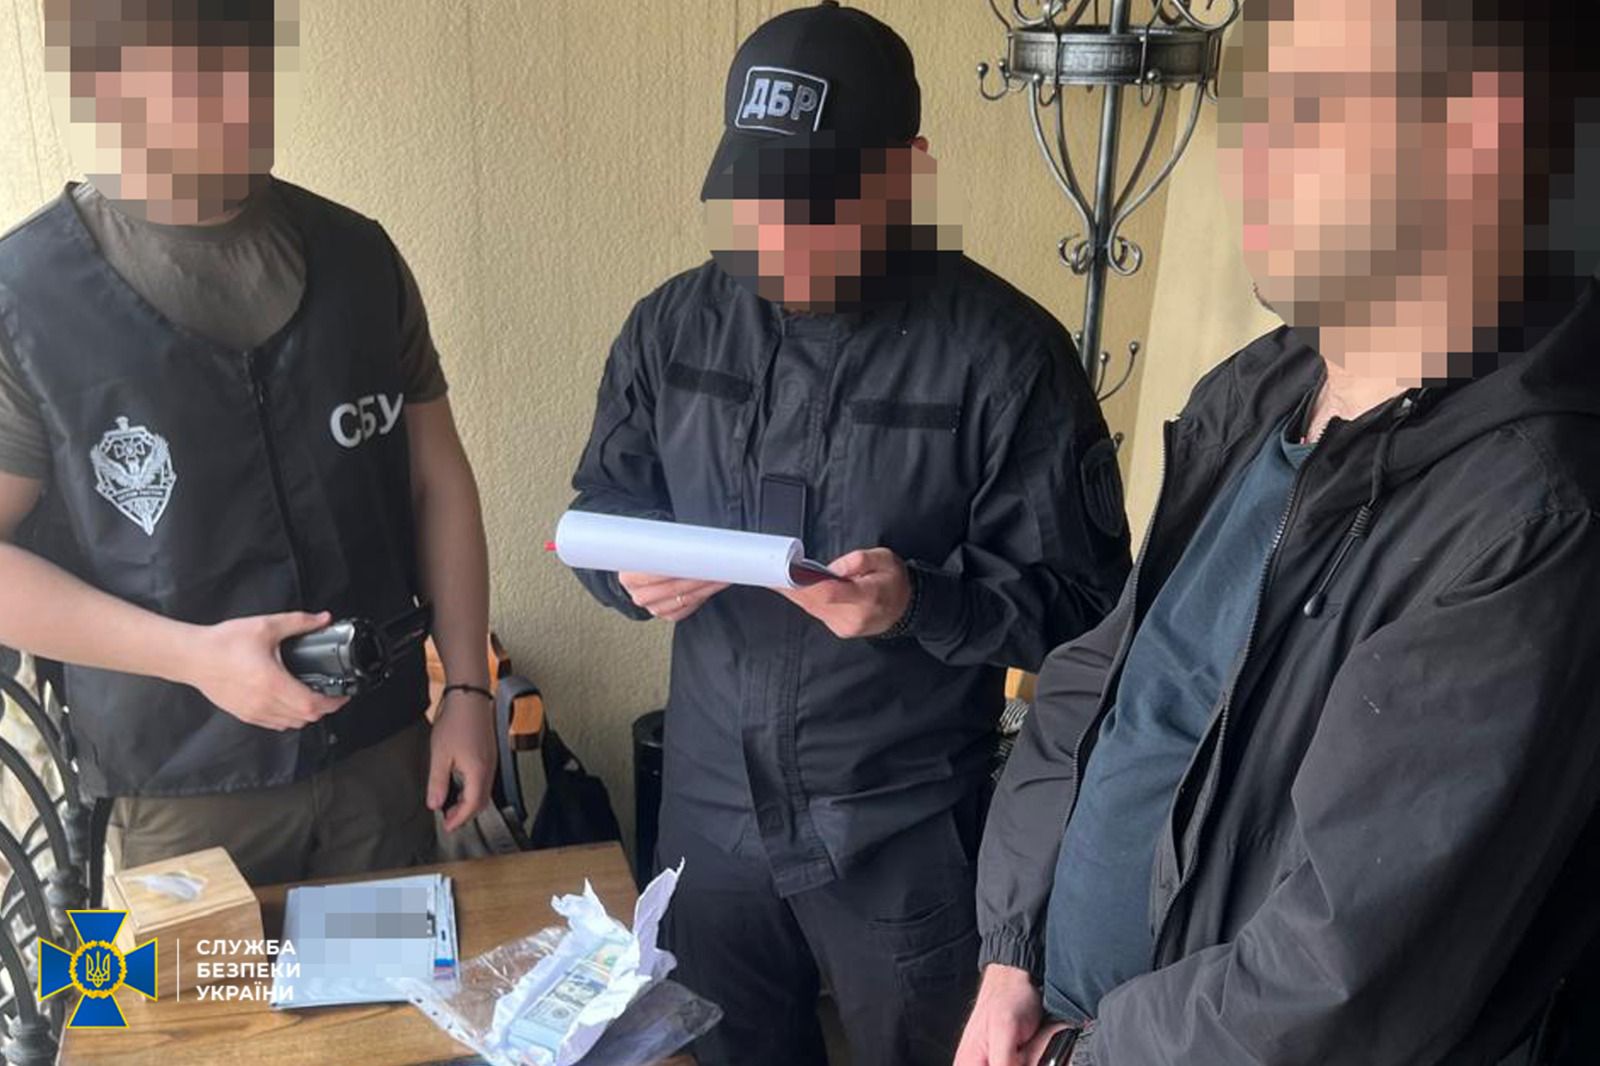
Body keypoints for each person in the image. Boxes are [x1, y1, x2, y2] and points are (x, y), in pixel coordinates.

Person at [958, 0, 1600, 1063]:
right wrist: (1011, 952)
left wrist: (1079, 1056)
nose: (1249, 157)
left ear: (1475, 133)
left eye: (1310, 110)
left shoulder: (1533, 518)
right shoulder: (1255, 392)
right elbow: (1100, 680)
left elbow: (1342, 975)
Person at [567, 3, 1132, 1063]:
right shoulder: (672, 327)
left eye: (818, 206)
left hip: (904, 833)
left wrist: (921, 603)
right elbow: (600, 507)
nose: (781, 238)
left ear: (907, 174)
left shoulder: (1005, 356)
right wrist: (624, 572)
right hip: (708, 815)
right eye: (758, 203)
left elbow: (1091, 611)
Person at [0, 0, 496, 885]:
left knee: (392, 978)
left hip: (381, 762)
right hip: (182, 792)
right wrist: (193, 658)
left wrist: (467, 688)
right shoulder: (27, 300)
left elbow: (437, 481)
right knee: (206, 981)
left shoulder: (360, 258)